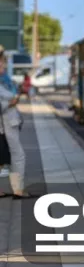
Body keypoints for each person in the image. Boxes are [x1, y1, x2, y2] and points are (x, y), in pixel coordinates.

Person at [0, 49, 31, 198]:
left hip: (9, 123)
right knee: (17, 155)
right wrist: (11, 103)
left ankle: (17, 189)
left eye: (4, 62)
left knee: (7, 156)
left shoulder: (4, 80)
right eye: (1, 62)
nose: (3, 65)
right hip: (6, 124)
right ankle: (18, 190)